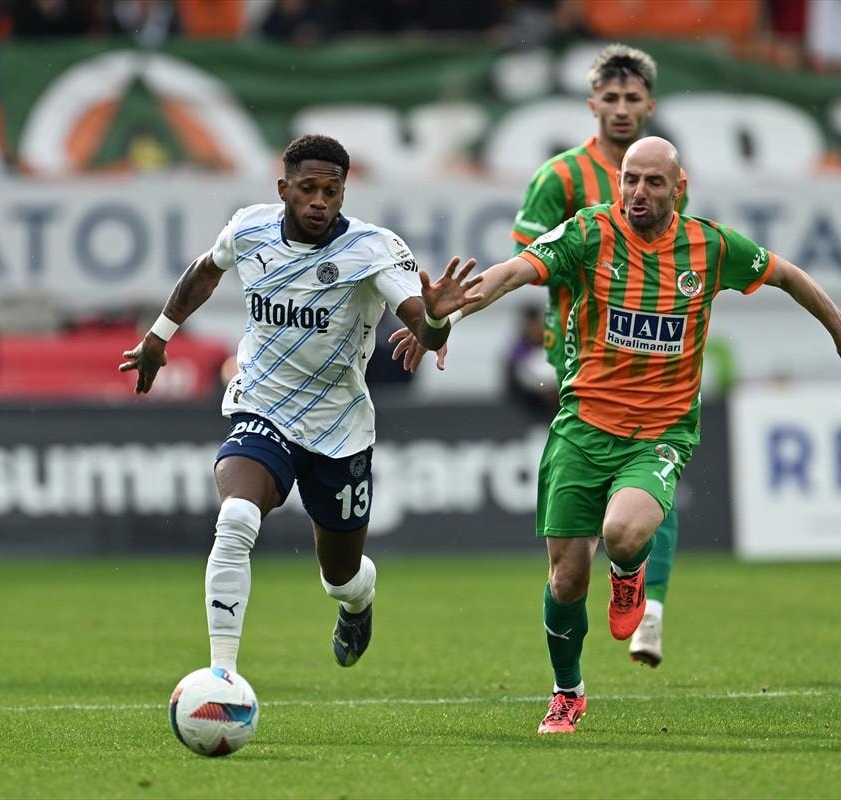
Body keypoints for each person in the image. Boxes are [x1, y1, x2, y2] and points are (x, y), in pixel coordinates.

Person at [395, 136, 841, 733]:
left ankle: (628, 575)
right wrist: (446, 312)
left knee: (622, 533)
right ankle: (567, 692)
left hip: (661, 431)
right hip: (582, 427)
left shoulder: (712, 246)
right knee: (566, 579)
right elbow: (513, 272)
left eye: (652, 182)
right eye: (629, 179)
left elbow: (788, 275)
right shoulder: (589, 232)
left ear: (679, 188)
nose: (637, 192)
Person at [118, 134, 480, 675]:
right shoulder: (250, 229)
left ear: (343, 193)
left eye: (331, 192)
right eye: (307, 188)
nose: (319, 202)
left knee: (340, 578)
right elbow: (205, 269)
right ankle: (221, 677)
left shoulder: (372, 249)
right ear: (283, 188)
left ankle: (358, 601)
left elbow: (423, 330)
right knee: (236, 518)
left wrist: (434, 318)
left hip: (340, 427)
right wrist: (158, 336)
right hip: (262, 407)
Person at [511, 42, 685, 668]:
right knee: (584, 518)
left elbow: (674, 255)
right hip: (579, 357)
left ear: (649, 106)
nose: (621, 108)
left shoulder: (664, 176)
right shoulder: (559, 177)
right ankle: (584, 609)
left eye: (632, 97)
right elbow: (529, 258)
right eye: (610, 97)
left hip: (654, 352)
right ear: (592, 105)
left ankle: (650, 608)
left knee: (652, 468)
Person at [505, 305, 559, 416]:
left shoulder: (555, 344)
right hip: (531, 407)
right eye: (530, 325)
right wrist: (541, 389)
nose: (533, 329)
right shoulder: (518, 353)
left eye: (536, 324)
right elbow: (515, 385)